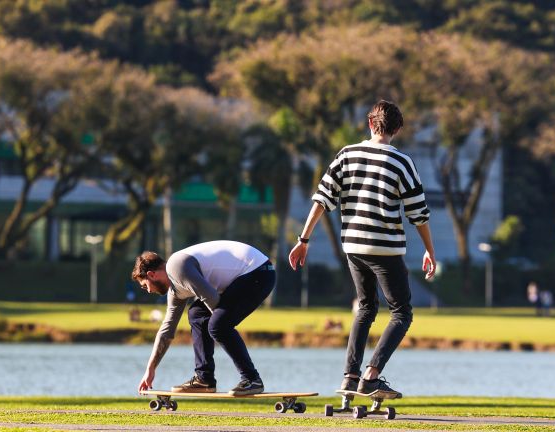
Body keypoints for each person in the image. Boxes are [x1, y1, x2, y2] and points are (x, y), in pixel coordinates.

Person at [289, 100, 436, 397]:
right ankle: (371, 375)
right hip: (386, 249)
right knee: (402, 313)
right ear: (398, 129)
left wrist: (303, 240)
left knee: (366, 308)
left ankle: (349, 376)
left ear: (370, 123)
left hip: (353, 245)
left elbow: (322, 199)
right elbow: (418, 213)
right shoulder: (402, 163)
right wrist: (429, 250)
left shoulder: (346, 154)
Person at [133, 240, 275, 396]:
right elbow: (167, 331)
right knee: (197, 314)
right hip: (250, 273)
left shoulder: (176, 267)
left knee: (218, 326)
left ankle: (252, 379)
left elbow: (212, 299)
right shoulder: (176, 289)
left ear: (151, 275)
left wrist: (222, 324)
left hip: (258, 272)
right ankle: (204, 379)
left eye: (145, 285)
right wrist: (150, 369)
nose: (148, 290)